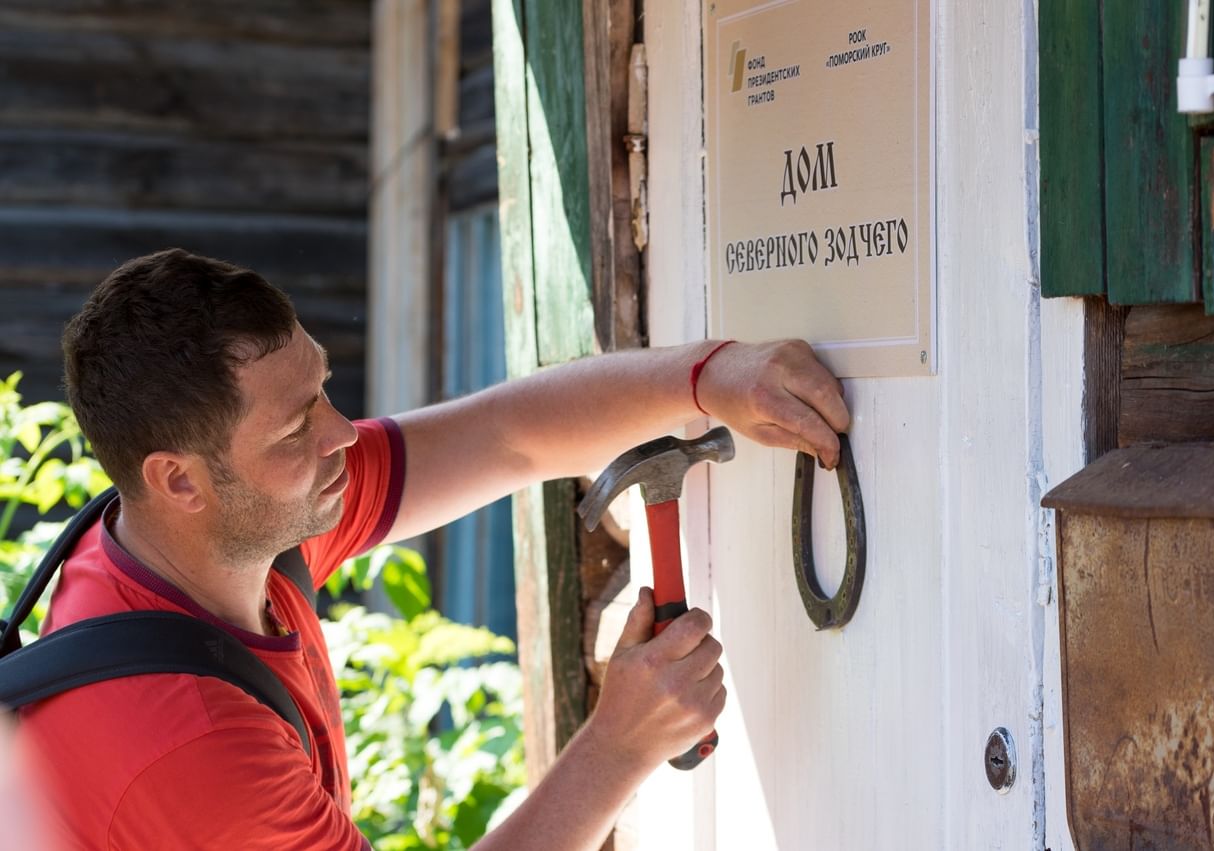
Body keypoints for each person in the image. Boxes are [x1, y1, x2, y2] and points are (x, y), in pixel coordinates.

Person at [19, 248, 849, 849]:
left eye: (322, 391)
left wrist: (708, 378)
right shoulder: (189, 743)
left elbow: (505, 437)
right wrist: (618, 748)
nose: (343, 433)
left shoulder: (223, 537)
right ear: (180, 480)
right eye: (294, 427)